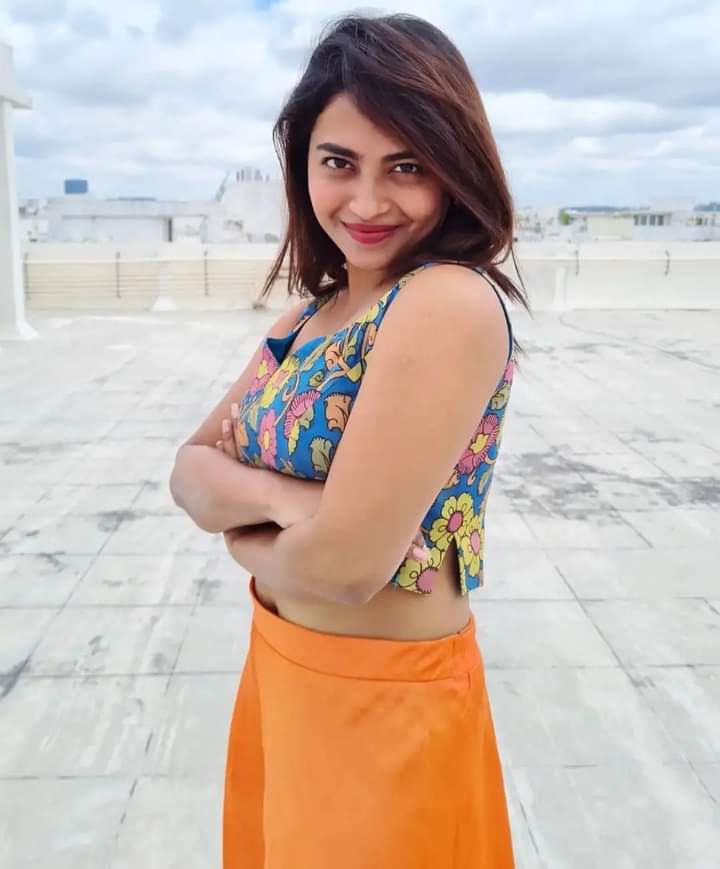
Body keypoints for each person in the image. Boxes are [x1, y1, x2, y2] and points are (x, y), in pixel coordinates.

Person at [170, 12, 531, 868]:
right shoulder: (310, 316)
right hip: (284, 670)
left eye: (406, 166)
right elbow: (188, 470)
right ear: (303, 164)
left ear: (455, 167)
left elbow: (344, 568)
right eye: (339, 163)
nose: (367, 202)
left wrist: (239, 532)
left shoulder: (445, 302)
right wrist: (285, 501)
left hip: (385, 706)